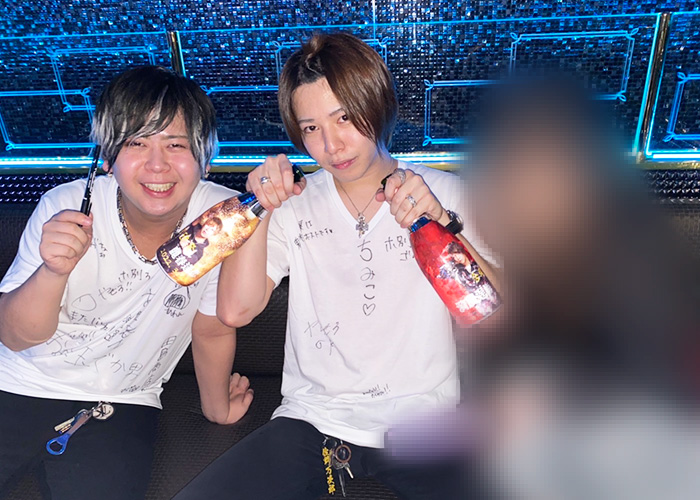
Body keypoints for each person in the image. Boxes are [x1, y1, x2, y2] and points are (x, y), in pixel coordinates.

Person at [174, 33, 498, 500]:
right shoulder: (296, 203)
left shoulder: (445, 193)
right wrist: (259, 208)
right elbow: (235, 311)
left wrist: (444, 226)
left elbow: (500, 320)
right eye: (311, 128)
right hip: (313, 421)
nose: (331, 144)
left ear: (377, 102)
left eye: (344, 117)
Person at [0, 66, 253, 500]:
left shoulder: (221, 220)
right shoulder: (66, 205)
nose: (157, 164)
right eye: (136, 142)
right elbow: (15, 336)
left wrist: (217, 408)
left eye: (176, 144)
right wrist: (53, 271)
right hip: (14, 380)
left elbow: (211, 327)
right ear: (107, 156)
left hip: (123, 400)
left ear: (205, 157)